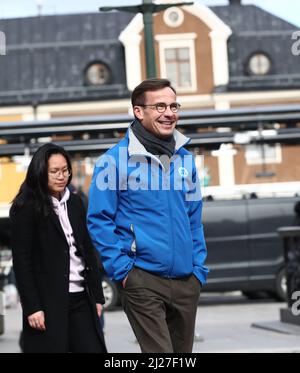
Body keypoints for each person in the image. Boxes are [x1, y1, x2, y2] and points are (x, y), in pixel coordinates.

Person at [87, 78, 208, 353]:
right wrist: (124, 271)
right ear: (138, 111)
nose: (170, 113)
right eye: (160, 106)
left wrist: (198, 270)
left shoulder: (185, 159)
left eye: (174, 105)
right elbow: (98, 220)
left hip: (187, 280)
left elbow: (194, 218)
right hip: (142, 280)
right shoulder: (112, 162)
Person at [10, 143, 107, 353]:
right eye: (54, 171)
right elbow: (22, 261)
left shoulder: (75, 203)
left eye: (65, 170)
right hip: (47, 301)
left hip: (81, 298)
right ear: (39, 173)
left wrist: (98, 297)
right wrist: (32, 307)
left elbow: (88, 249)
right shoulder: (25, 207)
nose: (61, 176)